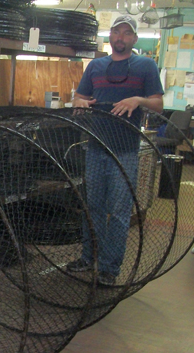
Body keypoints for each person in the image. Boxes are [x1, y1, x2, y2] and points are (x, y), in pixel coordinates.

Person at [69, 14, 164, 286]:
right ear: (109, 36)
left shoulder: (146, 66)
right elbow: (80, 97)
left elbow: (157, 104)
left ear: (134, 38)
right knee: (93, 207)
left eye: (126, 33)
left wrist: (137, 99)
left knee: (120, 213)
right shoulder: (96, 67)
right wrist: (80, 103)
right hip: (96, 148)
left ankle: (109, 269)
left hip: (125, 151)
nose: (120, 38)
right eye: (115, 32)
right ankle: (89, 257)